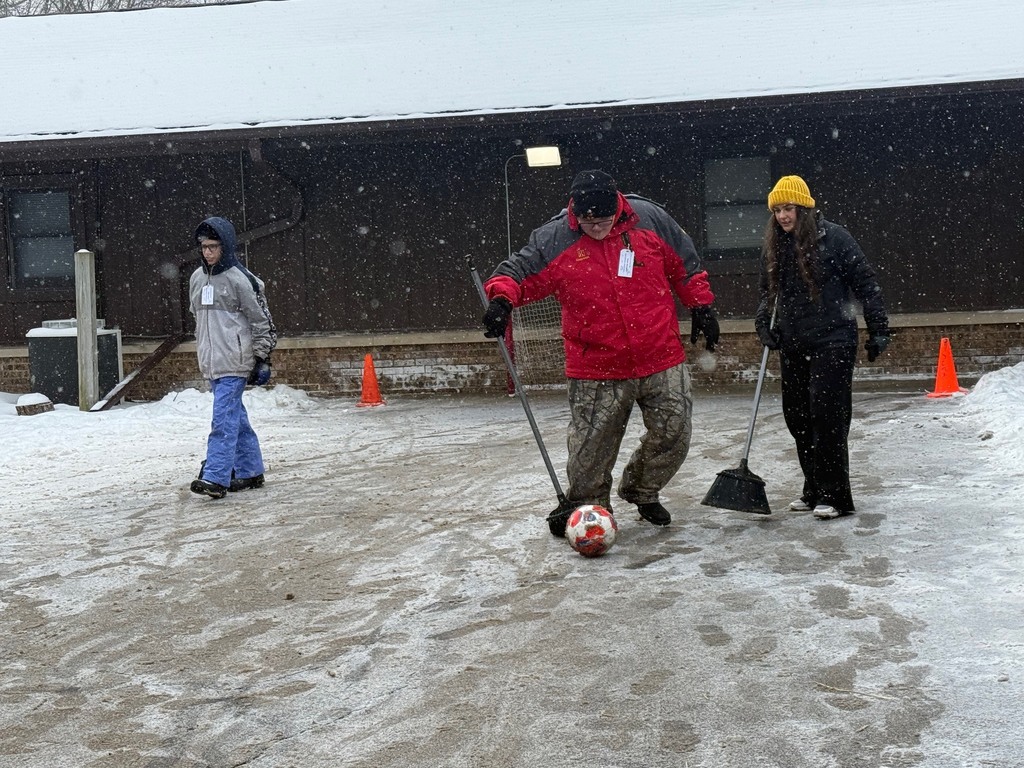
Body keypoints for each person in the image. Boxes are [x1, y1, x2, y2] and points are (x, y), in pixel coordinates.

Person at [481, 169, 720, 536]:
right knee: (590, 452)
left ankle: (641, 489)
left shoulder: (650, 219)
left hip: (659, 354)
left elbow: (685, 264)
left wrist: (701, 306)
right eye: (588, 221)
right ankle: (589, 510)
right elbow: (517, 271)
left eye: (603, 220)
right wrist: (501, 300)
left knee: (674, 433)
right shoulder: (555, 237)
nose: (596, 228)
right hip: (596, 363)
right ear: (575, 212)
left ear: (617, 207)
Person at [754, 175, 889, 520]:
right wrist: (763, 323)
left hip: (834, 339)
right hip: (794, 341)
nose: (783, 216)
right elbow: (767, 292)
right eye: (777, 210)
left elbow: (866, 283)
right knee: (797, 416)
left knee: (827, 415)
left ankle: (835, 495)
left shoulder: (836, 238)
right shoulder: (774, 245)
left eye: (789, 208)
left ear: (804, 208)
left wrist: (878, 328)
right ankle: (813, 488)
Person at [189, 216, 277, 499]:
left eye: (213, 247)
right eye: (204, 247)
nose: (208, 252)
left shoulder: (242, 280)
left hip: (235, 361)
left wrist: (261, 357)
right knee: (234, 417)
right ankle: (250, 470)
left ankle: (216, 476)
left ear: (225, 246)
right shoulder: (197, 278)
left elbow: (262, 321)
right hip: (212, 362)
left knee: (223, 421)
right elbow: (199, 318)